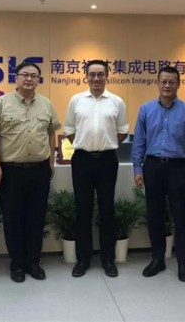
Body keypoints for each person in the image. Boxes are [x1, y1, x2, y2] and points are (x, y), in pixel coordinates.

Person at [0, 62, 61, 283]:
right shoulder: (2, 103)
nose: (29, 79)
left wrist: (51, 162)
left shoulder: (46, 104)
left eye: (33, 75)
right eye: (25, 75)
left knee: (36, 218)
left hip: (39, 170)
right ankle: (17, 264)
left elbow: (51, 133)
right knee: (12, 219)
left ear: (38, 80)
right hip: (11, 171)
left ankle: (34, 263)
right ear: (16, 78)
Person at [131, 66, 185, 282]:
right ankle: (158, 259)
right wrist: (137, 168)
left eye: (172, 82)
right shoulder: (146, 109)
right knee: (155, 215)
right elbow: (139, 141)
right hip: (152, 166)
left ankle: (183, 262)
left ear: (178, 84)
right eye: (164, 81)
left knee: (181, 216)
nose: (167, 85)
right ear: (157, 83)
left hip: (177, 168)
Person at [64, 60, 129, 278]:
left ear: (107, 76)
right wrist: (84, 144)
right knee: (83, 210)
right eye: (92, 74)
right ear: (86, 76)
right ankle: (83, 259)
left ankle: (108, 259)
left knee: (107, 210)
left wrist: (105, 144)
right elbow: (69, 129)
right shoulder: (76, 100)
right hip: (82, 159)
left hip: (107, 160)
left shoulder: (116, 101)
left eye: (100, 74)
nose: (96, 78)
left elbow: (122, 131)